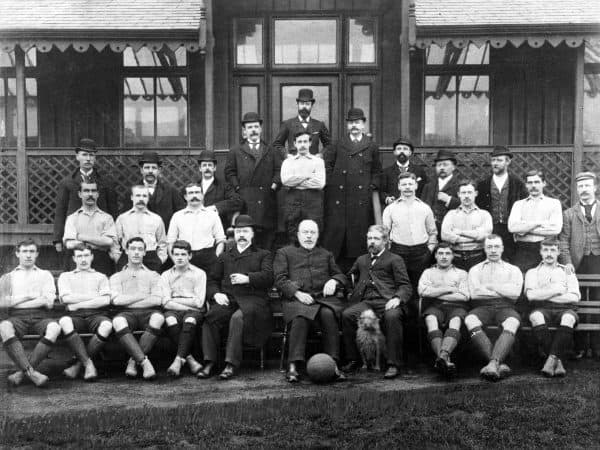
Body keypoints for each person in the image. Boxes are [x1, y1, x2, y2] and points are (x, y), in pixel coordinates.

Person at [198, 215, 273, 380]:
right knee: (210, 318)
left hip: (253, 300)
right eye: (238, 231)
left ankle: (231, 364)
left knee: (237, 319)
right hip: (229, 299)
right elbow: (212, 280)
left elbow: (268, 277)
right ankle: (210, 361)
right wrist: (216, 293)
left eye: (245, 231)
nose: (241, 235)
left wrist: (248, 278)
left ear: (252, 234)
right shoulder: (225, 256)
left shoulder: (263, 254)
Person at [274, 219, 348, 382]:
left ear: (318, 235)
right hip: (296, 299)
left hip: (322, 300)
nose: (309, 236)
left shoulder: (326, 254)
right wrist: (297, 294)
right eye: (305, 232)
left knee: (329, 315)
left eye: (312, 232)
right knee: (300, 318)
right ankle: (293, 364)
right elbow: (279, 280)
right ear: (298, 235)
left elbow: (341, 275)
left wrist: (334, 280)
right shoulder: (285, 253)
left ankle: (333, 363)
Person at [341, 225, 412, 379]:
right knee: (347, 314)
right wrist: (347, 290)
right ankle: (353, 359)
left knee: (392, 316)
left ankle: (393, 363)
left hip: (387, 301)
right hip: (366, 302)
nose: (371, 242)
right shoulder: (361, 260)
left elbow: (405, 285)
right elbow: (348, 278)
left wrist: (397, 298)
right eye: (369, 238)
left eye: (376, 238)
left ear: (385, 241)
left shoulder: (395, 259)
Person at [322, 108, 382, 267]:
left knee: (357, 237)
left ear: (363, 125)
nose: (354, 126)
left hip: (361, 198)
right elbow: (327, 166)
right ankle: (337, 274)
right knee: (337, 237)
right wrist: (332, 184)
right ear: (347, 125)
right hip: (339, 198)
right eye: (351, 123)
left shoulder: (371, 146)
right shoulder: (337, 144)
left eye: (357, 122)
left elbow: (377, 170)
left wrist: (372, 186)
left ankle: (356, 275)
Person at [0, 239, 60, 387]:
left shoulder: (45, 275)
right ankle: (32, 373)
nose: (28, 255)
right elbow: (3, 303)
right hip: (16, 317)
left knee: (55, 328)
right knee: (4, 328)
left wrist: (16, 300)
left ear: (37, 254)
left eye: (31, 251)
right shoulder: (8, 277)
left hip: (41, 316)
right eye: (24, 251)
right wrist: (29, 296)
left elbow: (48, 302)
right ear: (17, 254)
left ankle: (22, 373)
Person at [465, 235, 523, 381]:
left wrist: (491, 287)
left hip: (505, 306)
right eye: (489, 247)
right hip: (482, 306)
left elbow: (515, 294)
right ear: (484, 249)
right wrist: (503, 290)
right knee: (470, 319)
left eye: (496, 246)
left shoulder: (513, 269)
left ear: (502, 248)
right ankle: (497, 363)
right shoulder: (475, 269)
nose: (493, 250)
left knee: (512, 322)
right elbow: (474, 294)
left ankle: (492, 363)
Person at [225, 112, 282, 250]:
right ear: (244, 131)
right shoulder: (236, 151)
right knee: (248, 238)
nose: (253, 130)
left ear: (261, 129)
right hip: (246, 202)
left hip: (266, 200)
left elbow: (279, 170)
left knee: (267, 242)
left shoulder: (271, 150)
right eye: (250, 127)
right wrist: (238, 188)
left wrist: (273, 186)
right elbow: (229, 172)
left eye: (256, 127)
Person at [110, 237, 165, 380]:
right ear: (126, 251)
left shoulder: (153, 275)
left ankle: (133, 361)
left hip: (149, 312)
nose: (136, 252)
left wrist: (128, 300)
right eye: (133, 249)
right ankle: (144, 362)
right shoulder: (117, 276)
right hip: (126, 313)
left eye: (140, 249)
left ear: (145, 252)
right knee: (117, 322)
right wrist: (141, 295)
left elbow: (157, 299)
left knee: (158, 318)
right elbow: (116, 300)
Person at [57, 244, 113, 381]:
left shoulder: (101, 277)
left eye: (86, 255)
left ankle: (77, 365)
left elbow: (105, 300)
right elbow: (66, 298)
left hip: (96, 315)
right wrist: (94, 296)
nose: (83, 259)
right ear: (74, 258)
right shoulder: (66, 276)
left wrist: (77, 304)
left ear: (92, 257)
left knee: (107, 325)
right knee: (64, 321)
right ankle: (88, 364)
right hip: (75, 316)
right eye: (79, 256)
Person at [525, 239, 580, 377]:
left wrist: (543, 294)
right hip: (542, 309)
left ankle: (550, 360)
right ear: (540, 252)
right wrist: (557, 290)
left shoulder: (567, 271)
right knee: (535, 317)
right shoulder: (532, 272)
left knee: (568, 318)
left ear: (558, 252)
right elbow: (531, 296)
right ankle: (557, 361)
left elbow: (574, 297)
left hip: (565, 308)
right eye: (545, 250)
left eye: (553, 250)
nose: (549, 254)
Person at [559, 171, 600, 357]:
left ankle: (598, 346)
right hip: (579, 262)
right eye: (580, 186)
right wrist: (567, 263)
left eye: (587, 185)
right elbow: (563, 242)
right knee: (579, 303)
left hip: (598, 261)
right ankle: (580, 346)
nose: (584, 190)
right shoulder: (568, 214)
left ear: (595, 187)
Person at [53, 138, 118, 253]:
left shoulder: (105, 182)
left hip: (99, 239)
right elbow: (60, 211)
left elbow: (113, 210)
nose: (88, 158)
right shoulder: (67, 182)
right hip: (76, 239)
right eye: (84, 154)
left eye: (91, 155)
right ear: (77, 156)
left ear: (95, 158)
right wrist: (58, 239)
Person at [418, 242, 469, 377]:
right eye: (440, 253)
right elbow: (422, 291)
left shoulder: (461, 273)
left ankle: (443, 356)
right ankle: (444, 359)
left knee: (456, 320)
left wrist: (435, 292)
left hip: (457, 307)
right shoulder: (428, 272)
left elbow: (464, 296)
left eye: (448, 253)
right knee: (430, 318)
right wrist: (449, 289)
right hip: (436, 307)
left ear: (453, 256)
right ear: (435, 255)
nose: (444, 257)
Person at [382, 172, 437, 293]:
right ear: (399, 187)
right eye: (404, 184)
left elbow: (432, 232)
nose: (407, 187)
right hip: (398, 252)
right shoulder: (390, 209)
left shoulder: (425, 208)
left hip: (421, 253)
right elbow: (384, 234)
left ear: (416, 186)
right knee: (399, 287)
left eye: (410, 184)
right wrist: (390, 252)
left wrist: (429, 250)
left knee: (419, 288)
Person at [161, 240, 206, 377]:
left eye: (183, 254)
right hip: (174, 311)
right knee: (170, 320)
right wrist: (186, 303)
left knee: (190, 320)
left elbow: (199, 302)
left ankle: (178, 359)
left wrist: (174, 299)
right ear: (172, 256)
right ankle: (190, 359)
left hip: (193, 312)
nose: (179, 257)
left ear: (190, 256)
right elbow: (165, 303)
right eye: (176, 254)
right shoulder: (166, 275)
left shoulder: (199, 274)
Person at [475, 146, 528, 262]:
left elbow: (525, 207)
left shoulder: (518, 184)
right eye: (493, 160)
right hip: (491, 229)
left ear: (508, 162)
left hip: (511, 232)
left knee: (511, 260)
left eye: (499, 160)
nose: (495, 163)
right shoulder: (483, 185)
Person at [508, 170, 562, 273]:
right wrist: (539, 223)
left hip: (546, 249)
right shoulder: (518, 205)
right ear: (526, 185)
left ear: (544, 183)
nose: (533, 186)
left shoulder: (554, 203)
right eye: (530, 183)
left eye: (537, 182)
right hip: (522, 251)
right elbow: (512, 227)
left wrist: (524, 229)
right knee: (522, 282)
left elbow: (555, 229)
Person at [167, 183, 226, 274]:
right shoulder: (177, 216)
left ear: (202, 195)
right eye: (191, 193)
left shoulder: (212, 215)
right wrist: (176, 261)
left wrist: (216, 258)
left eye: (197, 192)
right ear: (185, 197)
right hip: (185, 257)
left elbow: (221, 240)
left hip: (208, 259)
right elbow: (170, 242)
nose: (194, 196)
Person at [62, 182, 119, 276]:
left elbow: (108, 242)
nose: (90, 194)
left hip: (101, 261)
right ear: (80, 194)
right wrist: (98, 242)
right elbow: (69, 244)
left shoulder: (107, 218)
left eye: (93, 191)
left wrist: (79, 236)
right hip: (78, 259)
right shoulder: (72, 218)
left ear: (98, 194)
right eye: (86, 191)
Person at [121, 151, 185, 232]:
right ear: (141, 170)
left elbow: (180, 216)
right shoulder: (132, 192)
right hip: (140, 239)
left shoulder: (171, 191)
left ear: (159, 170)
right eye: (147, 168)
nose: (150, 171)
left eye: (154, 168)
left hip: (165, 237)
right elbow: (126, 217)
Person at [280, 130, 326, 237]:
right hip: (293, 201)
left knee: (313, 231)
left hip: (313, 201)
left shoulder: (318, 161)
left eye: (305, 141)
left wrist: (296, 180)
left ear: (310, 143)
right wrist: (307, 175)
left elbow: (320, 183)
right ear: (295, 144)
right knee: (293, 232)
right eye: (299, 142)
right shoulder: (288, 162)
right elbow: (286, 181)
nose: (302, 145)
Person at [441, 179, 493, 271]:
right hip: (455, 258)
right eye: (463, 193)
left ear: (476, 193)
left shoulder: (484, 214)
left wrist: (460, 233)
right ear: (458, 194)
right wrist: (474, 236)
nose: (466, 196)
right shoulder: (451, 214)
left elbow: (484, 236)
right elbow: (445, 235)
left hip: (478, 257)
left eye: (469, 192)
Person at [115, 185, 168, 272]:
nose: (141, 199)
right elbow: (115, 243)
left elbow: (162, 243)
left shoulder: (156, 219)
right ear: (132, 197)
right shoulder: (122, 218)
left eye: (144, 196)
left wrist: (160, 260)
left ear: (148, 198)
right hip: (128, 257)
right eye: (138, 195)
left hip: (151, 258)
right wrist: (118, 259)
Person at [273, 88, 331, 157]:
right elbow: (277, 144)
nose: (304, 107)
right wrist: (286, 155)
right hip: (294, 164)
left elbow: (329, 144)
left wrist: (321, 154)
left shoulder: (319, 125)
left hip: (312, 164)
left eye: (307, 104)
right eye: (302, 103)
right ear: (297, 104)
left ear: (311, 105)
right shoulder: (288, 124)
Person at [196, 149, 244, 231]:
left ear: (214, 168)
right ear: (200, 168)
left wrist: (215, 207)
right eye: (204, 165)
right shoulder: (194, 187)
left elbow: (238, 201)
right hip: (197, 228)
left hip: (218, 228)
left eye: (210, 165)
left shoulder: (224, 186)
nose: (207, 168)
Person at [421, 149, 461, 234]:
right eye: (439, 165)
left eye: (445, 165)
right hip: (431, 231)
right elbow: (421, 208)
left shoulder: (460, 185)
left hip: (452, 231)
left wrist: (449, 200)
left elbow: (466, 207)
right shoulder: (428, 186)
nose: (442, 168)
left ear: (453, 167)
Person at [380, 137, 428, 204]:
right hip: (394, 209)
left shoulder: (420, 171)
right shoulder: (386, 172)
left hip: (415, 209)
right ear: (394, 152)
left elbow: (425, 191)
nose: (402, 151)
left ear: (410, 152)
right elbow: (381, 192)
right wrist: (387, 199)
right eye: (399, 149)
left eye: (405, 149)